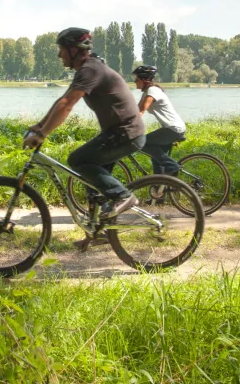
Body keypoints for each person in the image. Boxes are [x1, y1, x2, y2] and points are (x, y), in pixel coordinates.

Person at [23, 27, 146, 247]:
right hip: (119, 133)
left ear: (74, 50)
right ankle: (98, 232)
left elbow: (68, 105)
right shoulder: (87, 69)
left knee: (78, 160)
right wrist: (40, 125)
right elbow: (62, 100)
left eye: (61, 49)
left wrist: (42, 134)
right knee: (92, 181)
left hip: (126, 133)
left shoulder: (90, 69)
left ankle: (123, 196)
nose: (59, 55)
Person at [132, 65, 186, 177]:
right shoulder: (147, 92)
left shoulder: (152, 90)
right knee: (157, 158)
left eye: (136, 79)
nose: (134, 82)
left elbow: (141, 111)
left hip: (173, 128)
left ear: (144, 79)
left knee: (143, 143)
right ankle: (158, 188)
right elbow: (135, 111)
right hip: (170, 128)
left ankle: (173, 166)